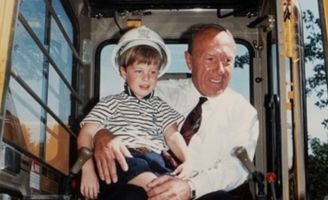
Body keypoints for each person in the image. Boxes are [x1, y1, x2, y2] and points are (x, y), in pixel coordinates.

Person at [92, 23, 259, 200]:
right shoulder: (156, 93)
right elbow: (115, 116)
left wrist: (190, 187)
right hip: (147, 182)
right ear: (189, 61)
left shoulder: (243, 112)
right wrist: (101, 134)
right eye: (210, 59)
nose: (220, 70)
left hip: (201, 192)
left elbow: (237, 168)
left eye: (228, 61)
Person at [77, 26, 192, 199]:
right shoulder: (111, 103)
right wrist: (88, 170)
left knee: (164, 180)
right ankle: (157, 188)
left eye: (153, 72)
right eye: (139, 71)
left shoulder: (161, 107)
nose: (147, 78)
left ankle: (157, 187)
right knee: (128, 167)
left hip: (155, 160)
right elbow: (86, 133)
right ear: (124, 72)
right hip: (123, 158)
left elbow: (173, 136)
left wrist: (189, 161)